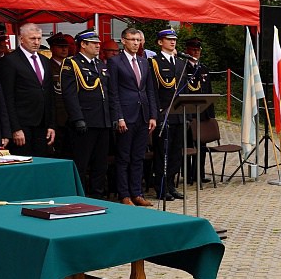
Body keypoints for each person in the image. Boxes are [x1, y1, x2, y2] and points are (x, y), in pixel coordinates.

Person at [107, 26, 157, 206]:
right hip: (126, 116)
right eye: (132, 40)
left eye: (138, 40)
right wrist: (119, 117)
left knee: (138, 156)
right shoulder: (115, 62)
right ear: (124, 41)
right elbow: (113, 92)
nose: (136, 43)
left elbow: (149, 90)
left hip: (143, 115)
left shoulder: (144, 62)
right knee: (124, 157)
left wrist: (152, 115)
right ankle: (124, 194)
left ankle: (137, 193)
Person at [61, 29, 111, 198]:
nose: (98, 46)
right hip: (85, 121)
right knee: (82, 163)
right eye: (94, 43)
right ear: (83, 44)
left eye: (98, 43)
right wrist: (78, 118)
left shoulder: (100, 65)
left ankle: (98, 195)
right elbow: (69, 95)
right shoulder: (72, 64)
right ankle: (79, 196)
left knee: (100, 163)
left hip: (102, 121)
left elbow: (107, 93)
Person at [0, 22, 56, 157]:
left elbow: (49, 94)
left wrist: (52, 125)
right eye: (32, 38)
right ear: (21, 39)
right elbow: (8, 97)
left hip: (42, 123)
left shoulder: (45, 61)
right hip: (22, 124)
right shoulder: (10, 61)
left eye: (38, 38)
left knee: (42, 162)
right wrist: (15, 128)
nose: (36, 42)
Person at [150, 28, 187, 200]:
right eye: (168, 39)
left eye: (174, 39)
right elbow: (153, 91)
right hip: (163, 114)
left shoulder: (180, 63)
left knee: (175, 153)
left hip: (179, 114)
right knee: (162, 153)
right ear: (160, 42)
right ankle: (161, 187)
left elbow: (183, 90)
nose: (172, 42)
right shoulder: (154, 62)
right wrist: (155, 114)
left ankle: (171, 185)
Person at [180, 36, 212, 186]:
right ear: (187, 50)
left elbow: (208, 90)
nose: (195, 52)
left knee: (201, 145)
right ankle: (187, 175)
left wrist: (210, 114)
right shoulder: (182, 67)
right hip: (188, 112)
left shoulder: (203, 68)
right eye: (193, 50)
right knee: (187, 144)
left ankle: (199, 173)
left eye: (198, 50)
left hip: (202, 112)